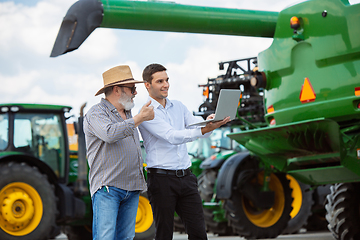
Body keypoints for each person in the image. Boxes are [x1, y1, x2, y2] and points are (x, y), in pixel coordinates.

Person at [138, 63, 231, 240]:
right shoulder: (146, 113)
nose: (166, 85)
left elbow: (197, 126)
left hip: (187, 179)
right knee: (164, 235)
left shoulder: (179, 106)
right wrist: (203, 129)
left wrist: (209, 122)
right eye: (160, 81)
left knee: (199, 234)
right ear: (147, 85)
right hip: (161, 180)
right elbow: (172, 136)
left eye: (167, 80)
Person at [83, 65, 154, 240]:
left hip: (132, 187)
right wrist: (139, 119)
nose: (135, 93)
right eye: (132, 88)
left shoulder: (128, 113)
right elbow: (110, 134)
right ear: (116, 90)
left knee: (126, 238)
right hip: (109, 188)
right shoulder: (96, 113)